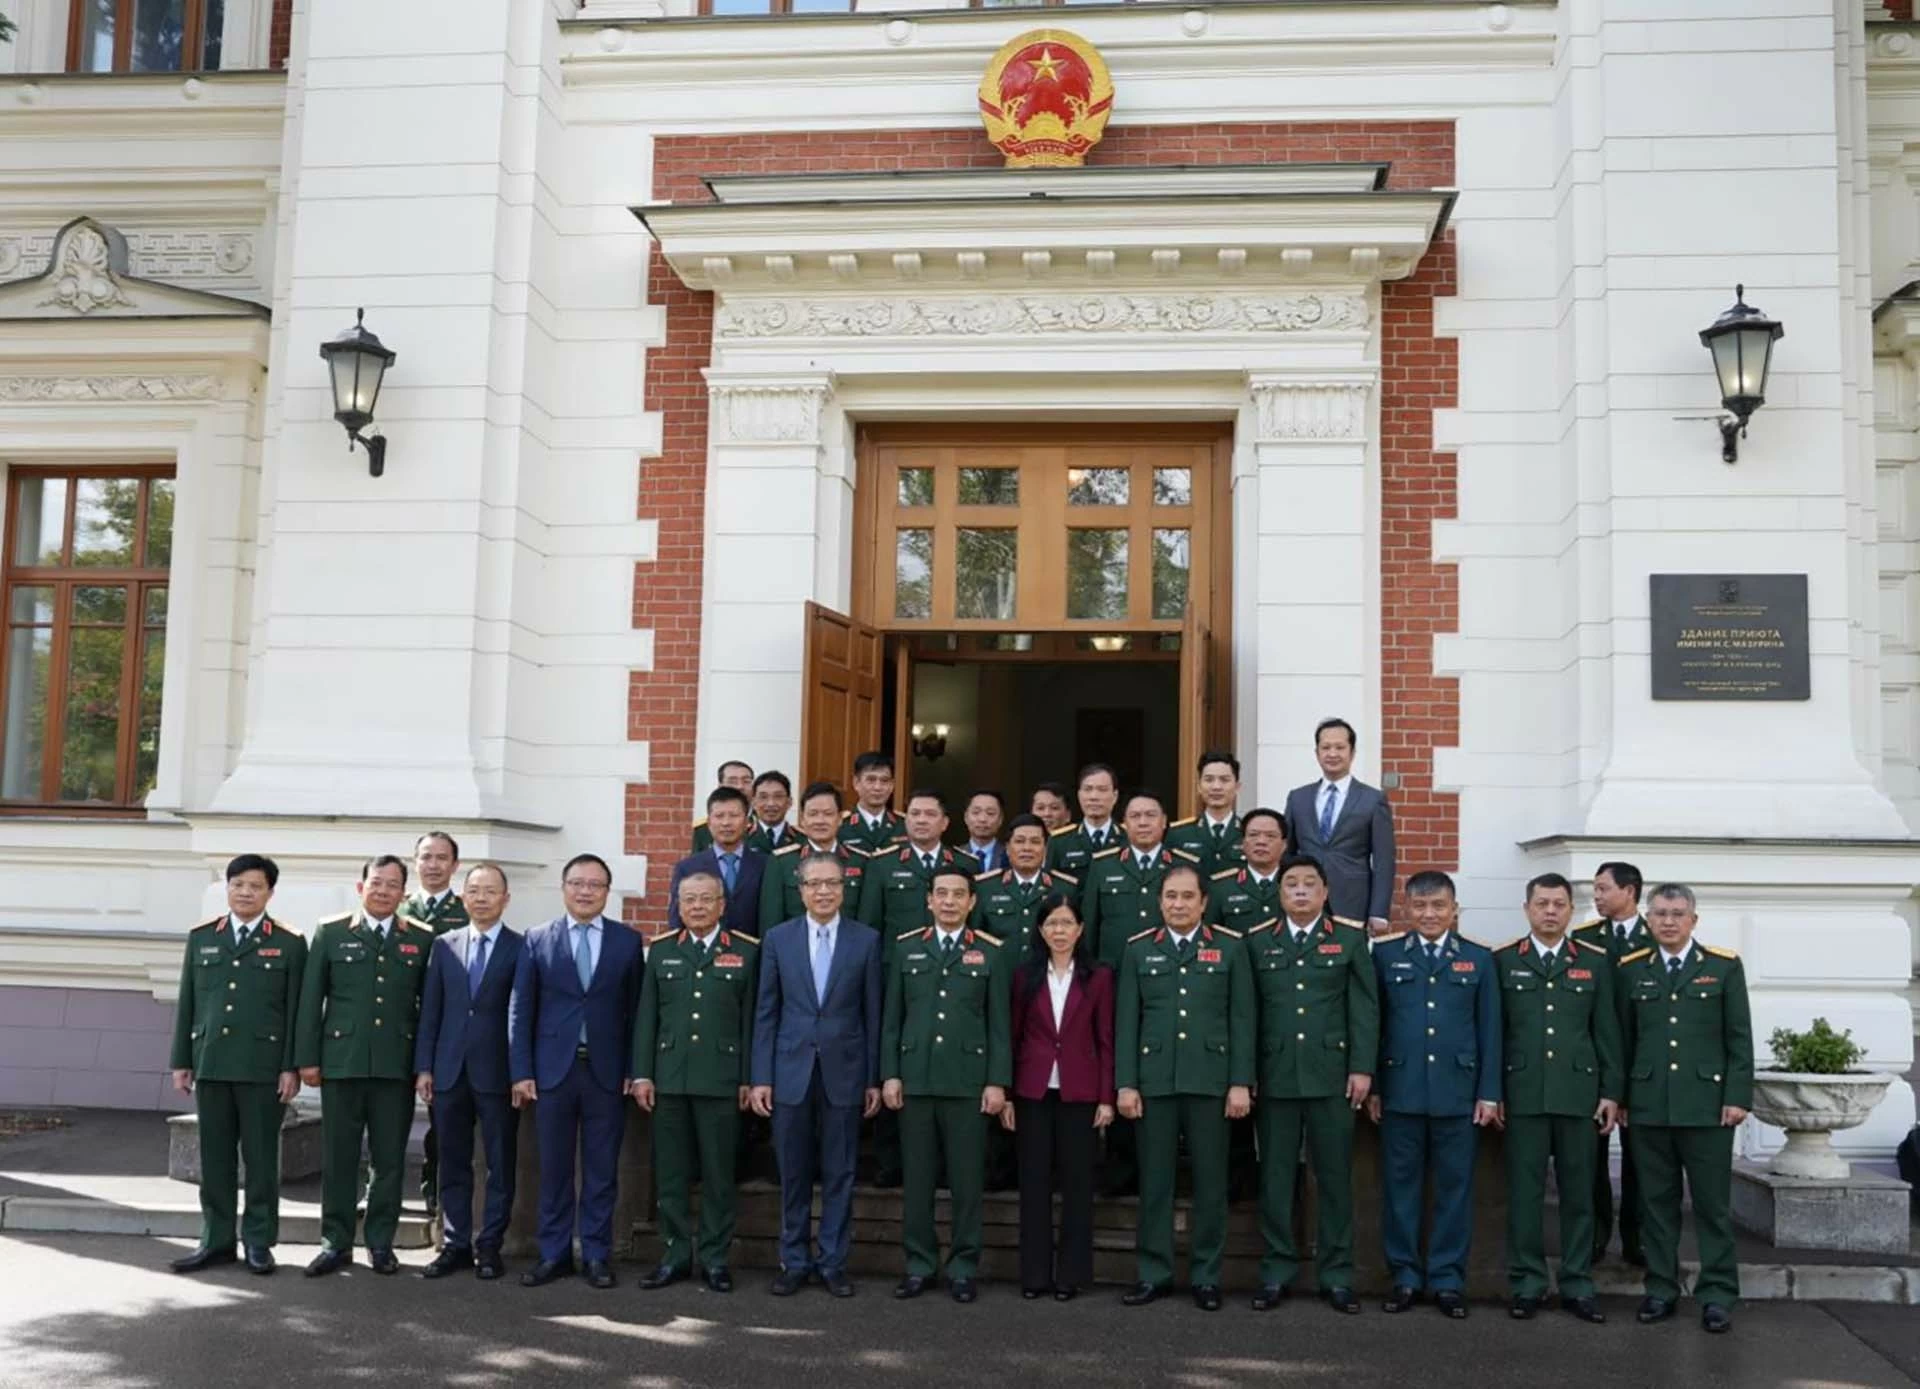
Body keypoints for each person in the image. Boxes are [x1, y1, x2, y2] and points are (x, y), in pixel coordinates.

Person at [1115, 864, 1253, 1312]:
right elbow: (1126, 1022)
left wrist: (1240, 1082)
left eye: (1187, 896)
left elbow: (1242, 1019)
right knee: (1155, 1183)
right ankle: (1153, 1273)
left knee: (1211, 1185)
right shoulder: (1138, 949)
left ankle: (1206, 1276)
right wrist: (1126, 1084)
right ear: (1159, 902)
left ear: (1204, 902)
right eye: (1171, 896)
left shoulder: (1230, 948)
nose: (1178, 904)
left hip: (1211, 1080)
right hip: (1154, 1082)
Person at [1245, 853, 1378, 1314]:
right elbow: (1247, 1013)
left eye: (1308, 884)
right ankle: (1276, 1271)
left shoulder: (1348, 938)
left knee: (1335, 1178)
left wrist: (1362, 1068)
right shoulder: (1258, 941)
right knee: (1276, 1178)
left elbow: (1364, 1007)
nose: (1300, 891)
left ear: (1325, 892)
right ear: (1279, 893)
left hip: (1331, 1077)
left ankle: (1336, 1274)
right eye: (1291, 884)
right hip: (1275, 1077)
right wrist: (1246, 1074)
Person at [1619, 883, 1752, 1335]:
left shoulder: (1722, 967)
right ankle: (1661, 1289)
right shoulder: (1632, 970)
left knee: (1712, 1207)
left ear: (1694, 919)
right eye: (1660, 913)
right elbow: (1623, 1039)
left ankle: (1717, 1294)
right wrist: (1622, 1097)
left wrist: (1737, 1096)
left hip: (1707, 1108)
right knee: (1656, 1206)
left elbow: (1739, 1037)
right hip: (1649, 1106)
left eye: (1677, 913)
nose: (1669, 921)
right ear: (1648, 919)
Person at [508, 853, 645, 1289]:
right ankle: (554, 1254)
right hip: (552, 1073)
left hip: (607, 1072)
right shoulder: (537, 939)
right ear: (564, 888)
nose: (586, 892)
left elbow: (637, 1014)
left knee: (602, 1170)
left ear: (607, 891)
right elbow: (521, 1009)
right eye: (577, 883)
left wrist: (635, 1068)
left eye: (595, 885)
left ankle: (597, 1254)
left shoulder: (627, 942)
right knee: (554, 1169)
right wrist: (521, 1070)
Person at [750, 853, 883, 1298]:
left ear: (844, 888)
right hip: (790, 1071)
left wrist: (873, 1078)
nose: (823, 891)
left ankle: (832, 1262)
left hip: (845, 1071)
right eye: (814, 884)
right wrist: (761, 1076)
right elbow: (766, 1012)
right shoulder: (778, 938)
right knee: (793, 1172)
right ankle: (793, 1260)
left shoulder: (866, 940)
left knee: (840, 1171)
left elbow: (873, 1015)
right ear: (801, 890)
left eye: (832, 883)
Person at [1369, 870, 1500, 1318]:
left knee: (1454, 1191)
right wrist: (1375, 1086)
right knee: (1400, 1190)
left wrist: (1488, 1093)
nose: (1429, 914)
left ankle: (1447, 1279)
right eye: (1420, 906)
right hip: (1400, 1090)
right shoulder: (1385, 955)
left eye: (1438, 906)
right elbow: (1374, 1025)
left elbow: (1490, 1030)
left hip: (1458, 1094)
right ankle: (1405, 1276)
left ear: (1454, 909)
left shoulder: (1478, 958)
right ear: (1405, 909)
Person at [295, 855, 434, 1277]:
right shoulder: (332, 932)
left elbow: (428, 1008)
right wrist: (307, 1058)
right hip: (342, 1062)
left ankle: (380, 1242)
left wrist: (423, 1064)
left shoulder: (421, 938)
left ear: (403, 893)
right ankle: (335, 1242)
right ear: (361, 887)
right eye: (376, 882)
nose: (383, 891)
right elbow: (311, 999)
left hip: (395, 1065)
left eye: (393, 885)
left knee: (388, 1160)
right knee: (339, 1157)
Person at [167, 853, 305, 1276]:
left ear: (270, 893)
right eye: (238, 884)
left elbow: (296, 1011)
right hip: (212, 1063)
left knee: (261, 1162)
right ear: (227, 888)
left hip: (263, 1068)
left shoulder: (289, 942)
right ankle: (216, 1240)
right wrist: (182, 1060)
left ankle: (259, 1242)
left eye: (255, 886)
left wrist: (291, 1067)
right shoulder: (202, 937)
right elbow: (189, 1001)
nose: (245, 892)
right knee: (215, 1161)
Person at [1496, 872, 1623, 1323]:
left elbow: (1606, 1031)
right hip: (1523, 1094)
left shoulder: (1594, 961)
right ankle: (1527, 1283)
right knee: (1524, 1195)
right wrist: (1494, 1092)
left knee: (1579, 1195)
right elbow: (1496, 1033)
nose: (1550, 911)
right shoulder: (1504, 961)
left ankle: (1577, 1283)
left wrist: (1610, 1092)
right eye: (1542, 903)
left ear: (1571, 910)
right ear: (1527, 908)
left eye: (1559, 904)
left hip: (1578, 1095)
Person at [882, 867, 1010, 1303]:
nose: (949, 902)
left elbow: (999, 1025)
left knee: (966, 1182)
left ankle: (963, 1267)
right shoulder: (907, 948)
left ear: (972, 902)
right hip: (916, 1080)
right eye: (942, 894)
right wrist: (891, 1073)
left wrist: (997, 1082)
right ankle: (919, 1265)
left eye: (958, 894)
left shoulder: (990, 953)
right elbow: (892, 1019)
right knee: (917, 1181)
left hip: (967, 1083)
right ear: (929, 900)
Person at [633, 871, 759, 1295]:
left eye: (706, 899)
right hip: (669, 1079)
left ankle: (715, 1258)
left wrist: (748, 1078)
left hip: (722, 1080)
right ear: (678, 905)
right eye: (689, 900)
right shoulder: (662, 950)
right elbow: (647, 1017)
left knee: (719, 1175)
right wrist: (643, 1073)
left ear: (722, 905)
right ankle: (674, 1255)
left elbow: (751, 1022)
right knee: (670, 1174)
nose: (698, 907)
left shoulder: (745, 951)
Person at [413, 862, 523, 1281]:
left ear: (505, 899)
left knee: (499, 1163)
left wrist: (520, 1071)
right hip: (449, 1070)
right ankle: (455, 1243)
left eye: (490, 891)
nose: (481, 898)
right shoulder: (444, 945)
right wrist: (425, 1067)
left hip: (498, 1072)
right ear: (463, 898)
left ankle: (490, 1244)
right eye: (474, 890)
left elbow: (522, 1013)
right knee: (452, 1161)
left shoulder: (521, 947)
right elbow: (431, 1010)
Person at [1006, 892, 1113, 1301]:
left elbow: (1105, 1040)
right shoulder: (1024, 975)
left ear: (1081, 929)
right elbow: (1013, 1036)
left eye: (1067, 923)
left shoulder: (1099, 976)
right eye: (1052, 923)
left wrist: (1106, 1097)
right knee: (1033, 1184)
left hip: (1080, 1091)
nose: (1059, 931)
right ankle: (1034, 1275)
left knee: (1077, 1185)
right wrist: (1008, 1094)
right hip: (1033, 1091)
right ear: (1040, 929)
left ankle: (1071, 1275)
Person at [1574, 859, 1652, 1268]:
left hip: (1643, 1068)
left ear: (1630, 891)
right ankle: (1595, 1237)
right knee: (1592, 1160)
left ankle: (1637, 1239)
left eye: (1604, 888)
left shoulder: (1656, 937)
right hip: (1597, 1067)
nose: (1597, 896)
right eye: (1596, 888)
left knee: (1642, 1160)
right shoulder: (1585, 939)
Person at [1284, 718, 1397, 936]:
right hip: (1303, 897)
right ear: (1317, 753)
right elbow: (1286, 853)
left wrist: (1379, 912)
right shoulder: (1298, 798)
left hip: (1352, 901)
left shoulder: (1373, 799)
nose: (1332, 754)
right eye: (1326, 747)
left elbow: (1384, 860)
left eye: (1340, 747)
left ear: (1352, 753)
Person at [406, 830, 468, 1217]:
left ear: (454, 865)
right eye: (426, 857)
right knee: (388, 1117)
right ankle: (376, 1189)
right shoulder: (399, 908)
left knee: (441, 1118)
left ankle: (435, 1187)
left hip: (446, 1030)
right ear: (415, 862)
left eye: (441, 858)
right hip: (400, 1025)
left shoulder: (466, 911)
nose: (433, 865)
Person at [1079, 788, 1199, 969]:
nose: (1143, 822)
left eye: (1151, 815)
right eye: (1135, 816)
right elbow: (1089, 926)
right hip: (1114, 970)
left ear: (1164, 821)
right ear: (1125, 823)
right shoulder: (1103, 865)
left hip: (1168, 970)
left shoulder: (1184, 865)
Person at [761, 781, 871, 931]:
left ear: (840, 819)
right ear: (803, 819)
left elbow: (867, 921)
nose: (820, 821)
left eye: (828, 814)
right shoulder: (782, 862)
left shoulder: (861, 861)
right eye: (813, 814)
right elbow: (771, 922)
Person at [669, 786, 767, 938]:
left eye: (734, 815)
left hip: (754, 949)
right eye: (719, 816)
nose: (726, 823)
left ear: (747, 822)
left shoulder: (765, 864)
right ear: (709, 823)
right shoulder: (688, 867)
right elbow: (677, 920)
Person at [973, 813, 1079, 947]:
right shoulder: (985, 887)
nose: (1027, 848)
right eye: (1019, 841)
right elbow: (975, 940)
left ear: (1045, 849)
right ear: (1007, 848)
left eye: (1035, 842)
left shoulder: (1064, 888)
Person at [1204, 807, 1288, 934]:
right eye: (1253, 835)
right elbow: (1211, 936)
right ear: (1242, 843)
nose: (1261, 842)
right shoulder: (1220, 889)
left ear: (1284, 845)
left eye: (1270, 836)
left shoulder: (1296, 885)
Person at [1166, 750, 1246, 875]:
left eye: (1224, 780)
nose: (1216, 787)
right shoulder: (1178, 834)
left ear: (1237, 787)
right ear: (1199, 786)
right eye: (1209, 780)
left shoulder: (1248, 833)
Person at [1046, 763, 1121, 880]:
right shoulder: (1059, 841)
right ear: (1079, 795)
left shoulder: (1128, 838)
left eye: (1102, 790)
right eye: (1088, 789)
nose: (1094, 797)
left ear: (1115, 796)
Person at [839, 751, 905, 855]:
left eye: (884, 781)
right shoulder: (840, 825)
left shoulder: (904, 825)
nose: (877, 787)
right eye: (871, 780)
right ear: (856, 783)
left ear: (892, 786)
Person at [692, 760, 756, 852]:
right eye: (733, 781)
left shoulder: (765, 825)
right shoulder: (702, 830)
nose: (740, 786)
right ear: (720, 786)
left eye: (746, 781)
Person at [747, 772, 795, 854]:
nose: (771, 804)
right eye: (763, 797)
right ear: (753, 803)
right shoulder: (740, 838)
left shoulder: (802, 839)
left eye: (778, 796)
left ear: (789, 802)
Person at [962, 789, 1008, 874]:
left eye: (990, 813)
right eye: (976, 812)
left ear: (1000, 819)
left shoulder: (1010, 856)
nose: (982, 819)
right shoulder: (953, 857)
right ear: (966, 818)